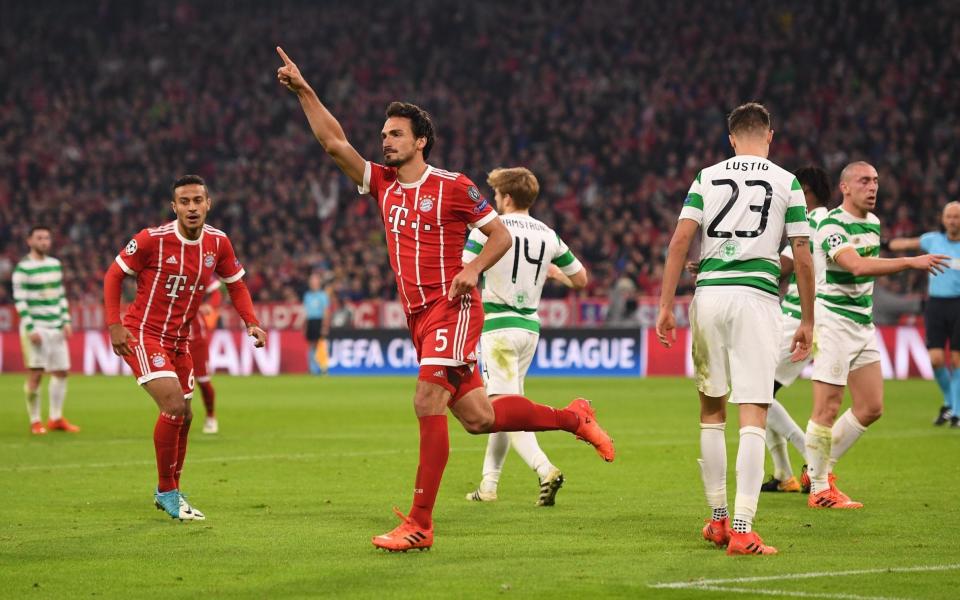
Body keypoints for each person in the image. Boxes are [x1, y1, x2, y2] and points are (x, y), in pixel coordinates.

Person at [277, 46, 614, 552]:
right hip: (419, 317)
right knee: (480, 417)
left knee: (425, 399)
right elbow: (333, 143)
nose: (384, 141)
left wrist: (472, 270)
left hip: (452, 309)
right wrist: (305, 91)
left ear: (421, 141)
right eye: (384, 134)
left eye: (395, 134)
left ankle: (420, 523)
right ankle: (573, 417)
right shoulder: (384, 185)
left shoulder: (453, 186)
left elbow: (498, 235)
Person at [656, 102, 815, 556]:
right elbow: (801, 254)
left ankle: (718, 520)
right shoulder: (787, 181)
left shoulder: (706, 177)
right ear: (769, 135)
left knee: (711, 411)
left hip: (709, 297)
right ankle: (744, 529)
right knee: (754, 412)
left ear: (730, 138)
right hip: (757, 300)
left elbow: (679, 242)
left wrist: (666, 306)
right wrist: (807, 318)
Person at [103, 174, 266, 521]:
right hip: (143, 334)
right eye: (185, 202)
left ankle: (172, 488)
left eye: (197, 201)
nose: (192, 208)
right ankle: (166, 491)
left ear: (208, 204)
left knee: (186, 416)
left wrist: (251, 321)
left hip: (180, 341)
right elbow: (113, 275)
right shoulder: (152, 240)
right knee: (174, 407)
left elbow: (236, 285)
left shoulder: (218, 243)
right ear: (173, 206)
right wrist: (114, 325)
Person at [803, 162, 948, 509]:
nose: (873, 187)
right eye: (864, 181)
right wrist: (911, 261)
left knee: (871, 406)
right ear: (845, 188)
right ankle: (819, 489)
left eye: (876, 181)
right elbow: (857, 265)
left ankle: (819, 468)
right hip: (833, 322)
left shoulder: (872, 224)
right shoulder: (830, 223)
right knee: (827, 407)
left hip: (861, 323)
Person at [463, 167, 588, 507]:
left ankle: (544, 468)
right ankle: (488, 486)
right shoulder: (549, 234)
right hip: (529, 329)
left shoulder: (487, 229)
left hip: (498, 328)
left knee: (504, 409)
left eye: (497, 195)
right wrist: (554, 274)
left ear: (505, 197)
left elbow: (464, 271)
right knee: (505, 407)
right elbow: (582, 280)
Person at [759, 166, 832, 493]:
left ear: (808, 189)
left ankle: (813, 461)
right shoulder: (826, 221)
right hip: (794, 317)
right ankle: (783, 474)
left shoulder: (814, 221)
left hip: (799, 321)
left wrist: (735, 266)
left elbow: (786, 265)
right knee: (762, 393)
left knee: (756, 391)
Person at [888, 202, 960, 426]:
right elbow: (905, 244)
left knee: (957, 359)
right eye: (949, 216)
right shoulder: (932, 240)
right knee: (936, 359)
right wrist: (879, 242)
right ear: (943, 219)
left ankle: (956, 413)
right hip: (936, 305)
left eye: (956, 217)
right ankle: (950, 403)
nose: (952, 221)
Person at [13, 226, 79, 435]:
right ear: (29, 241)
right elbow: (20, 301)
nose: (44, 241)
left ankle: (56, 418)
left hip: (56, 327)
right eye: (39, 238)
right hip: (37, 328)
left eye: (47, 238)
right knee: (36, 374)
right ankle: (35, 421)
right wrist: (31, 328)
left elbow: (60, 295)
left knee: (61, 372)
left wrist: (66, 320)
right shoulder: (23, 269)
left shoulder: (54, 265)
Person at [190, 278, 222, 434]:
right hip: (171, 336)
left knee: (202, 380)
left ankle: (211, 416)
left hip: (195, 338)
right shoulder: (165, 266)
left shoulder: (198, 265)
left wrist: (210, 305)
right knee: (171, 382)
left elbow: (216, 291)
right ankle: (176, 417)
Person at [303, 272, 332, 375]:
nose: (312, 282)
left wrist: (324, 326)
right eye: (311, 280)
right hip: (311, 321)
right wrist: (305, 326)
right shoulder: (307, 296)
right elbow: (306, 312)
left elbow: (326, 311)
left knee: (321, 344)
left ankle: (324, 368)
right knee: (311, 346)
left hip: (319, 320)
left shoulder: (323, 295)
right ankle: (312, 369)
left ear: (318, 282)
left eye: (314, 280)